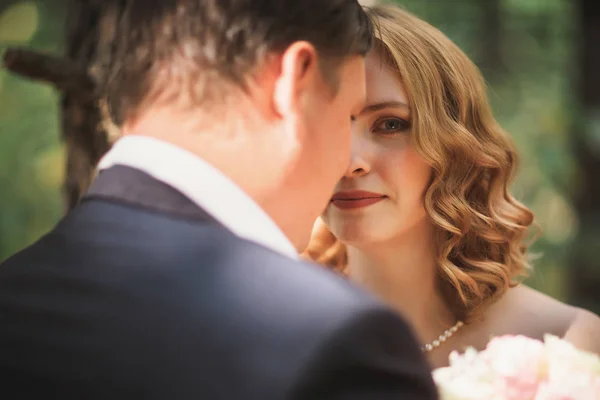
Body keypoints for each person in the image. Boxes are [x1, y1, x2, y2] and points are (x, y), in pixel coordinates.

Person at [0, 1, 437, 398]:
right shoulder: (333, 341)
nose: (348, 163)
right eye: (345, 116)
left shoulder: (13, 296)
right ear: (294, 80)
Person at [304, 4, 600, 369]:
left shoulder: (563, 342)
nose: (349, 162)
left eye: (390, 124)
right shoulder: (267, 324)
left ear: (453, 144)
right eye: (329, 123)